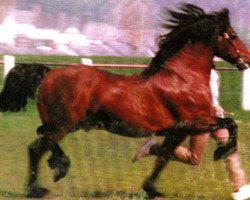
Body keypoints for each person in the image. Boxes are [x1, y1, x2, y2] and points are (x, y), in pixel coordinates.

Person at [133, 68, 250, 200]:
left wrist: (216, 106)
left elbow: (211, 92)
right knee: (193, 158)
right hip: (199, 117)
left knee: (229, 143)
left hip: (212, 115)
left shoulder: (209, 67)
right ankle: (152, 148)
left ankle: (239, 188)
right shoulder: (193, 68)